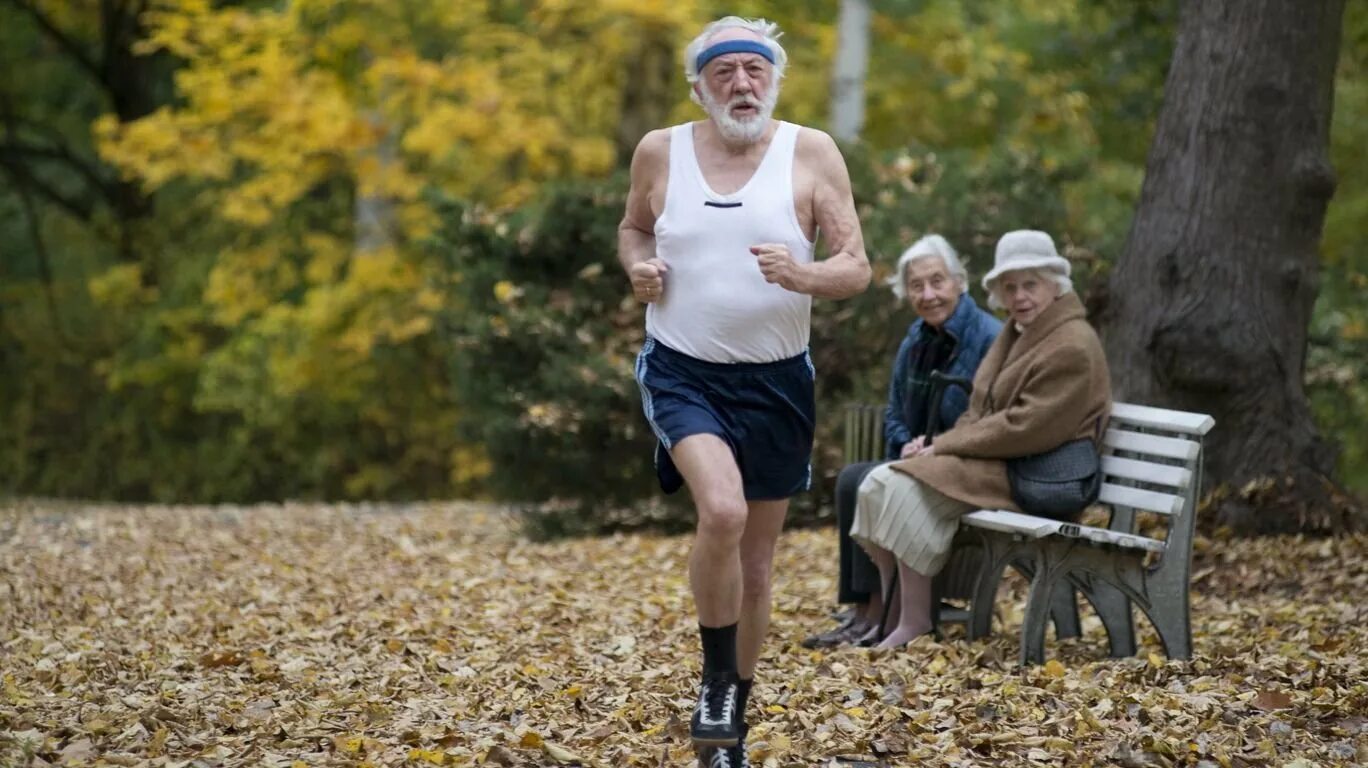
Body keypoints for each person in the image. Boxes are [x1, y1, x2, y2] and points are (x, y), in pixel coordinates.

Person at [618, 15, 871, 768]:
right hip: (682, 369)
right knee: (721, 511)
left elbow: (856, 265)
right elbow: (633, 229)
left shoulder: (811, 152)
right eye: (723, 71)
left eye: (754, 70)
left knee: (758, 567)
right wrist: (638, 269)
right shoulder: (660, 151)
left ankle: (732, 719)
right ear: (699, 86)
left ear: (775, 80)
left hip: (777, 380)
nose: (741, 83)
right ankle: (714, 684)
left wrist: (806, 275)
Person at [850, 229, 1111, 649]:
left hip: (1038, 474)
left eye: (1030, 285)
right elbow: (980, 406)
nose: (1020, 296)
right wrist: (934, 445)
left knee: (898, 486)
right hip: (1003, 462)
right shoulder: (1019, 331)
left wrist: (944, 446)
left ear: (1055, 284)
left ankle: (914, 621)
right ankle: (899, 614)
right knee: (876, 485)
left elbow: (1025, 426)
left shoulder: (1072, 344)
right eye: (1010, 287)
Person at [802, 234, 1000, 649]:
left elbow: (988, 417)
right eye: (916, 286)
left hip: (963, 463)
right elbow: (893, 411)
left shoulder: (987, 337)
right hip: (920, 457)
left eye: (937, 282)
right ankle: (865, 611)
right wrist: (905, 441)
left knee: (865, 480)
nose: (928, 294)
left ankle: (882, 612)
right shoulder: (915, 340)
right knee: (852, 478)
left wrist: (939, 444)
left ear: (959, 282)